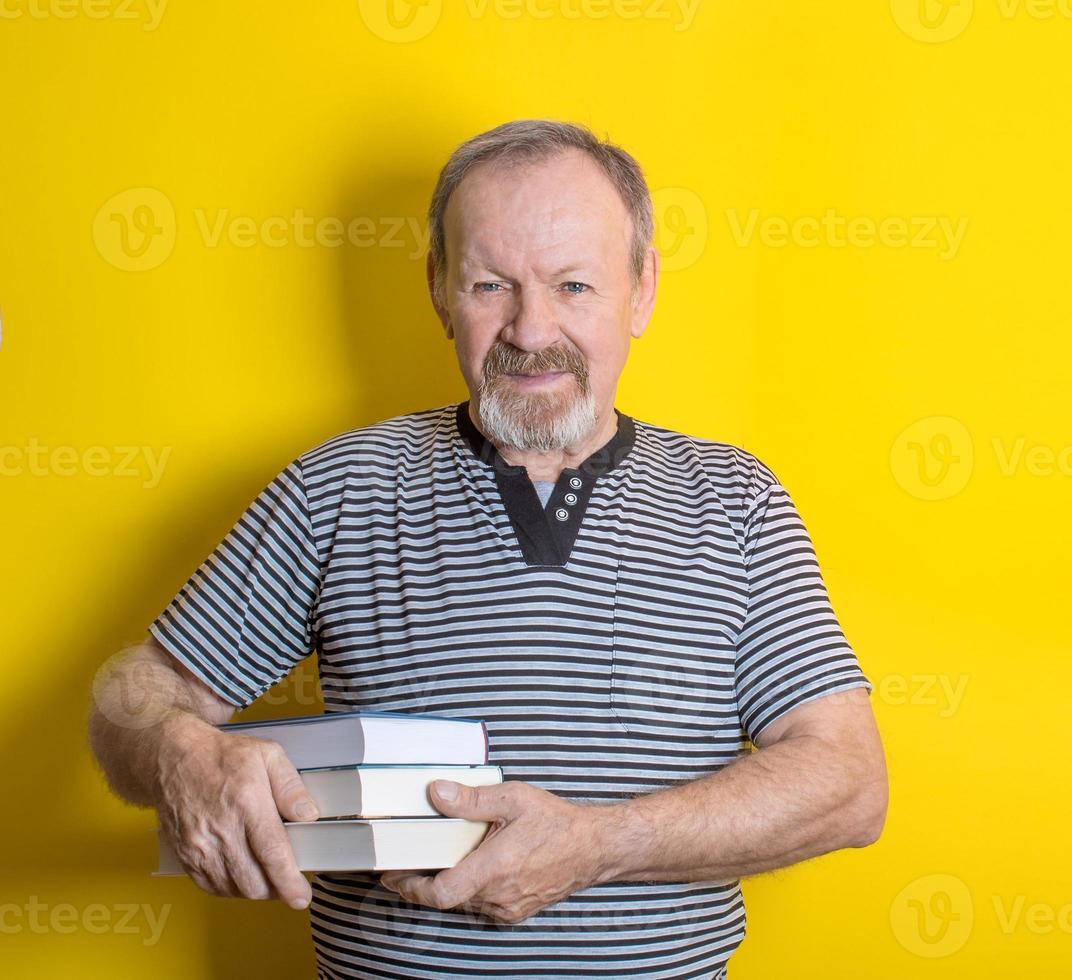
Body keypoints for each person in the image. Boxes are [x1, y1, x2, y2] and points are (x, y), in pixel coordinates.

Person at [89, 119, 888, 979]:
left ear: (643, 288)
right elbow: (128, 697)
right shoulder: (340, 486)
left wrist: (598, 845)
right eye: (490, 285)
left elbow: (847, 781)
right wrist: (176, 752)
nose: (531, 329)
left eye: (574, 285)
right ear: (439, 292)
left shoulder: (736, 500)